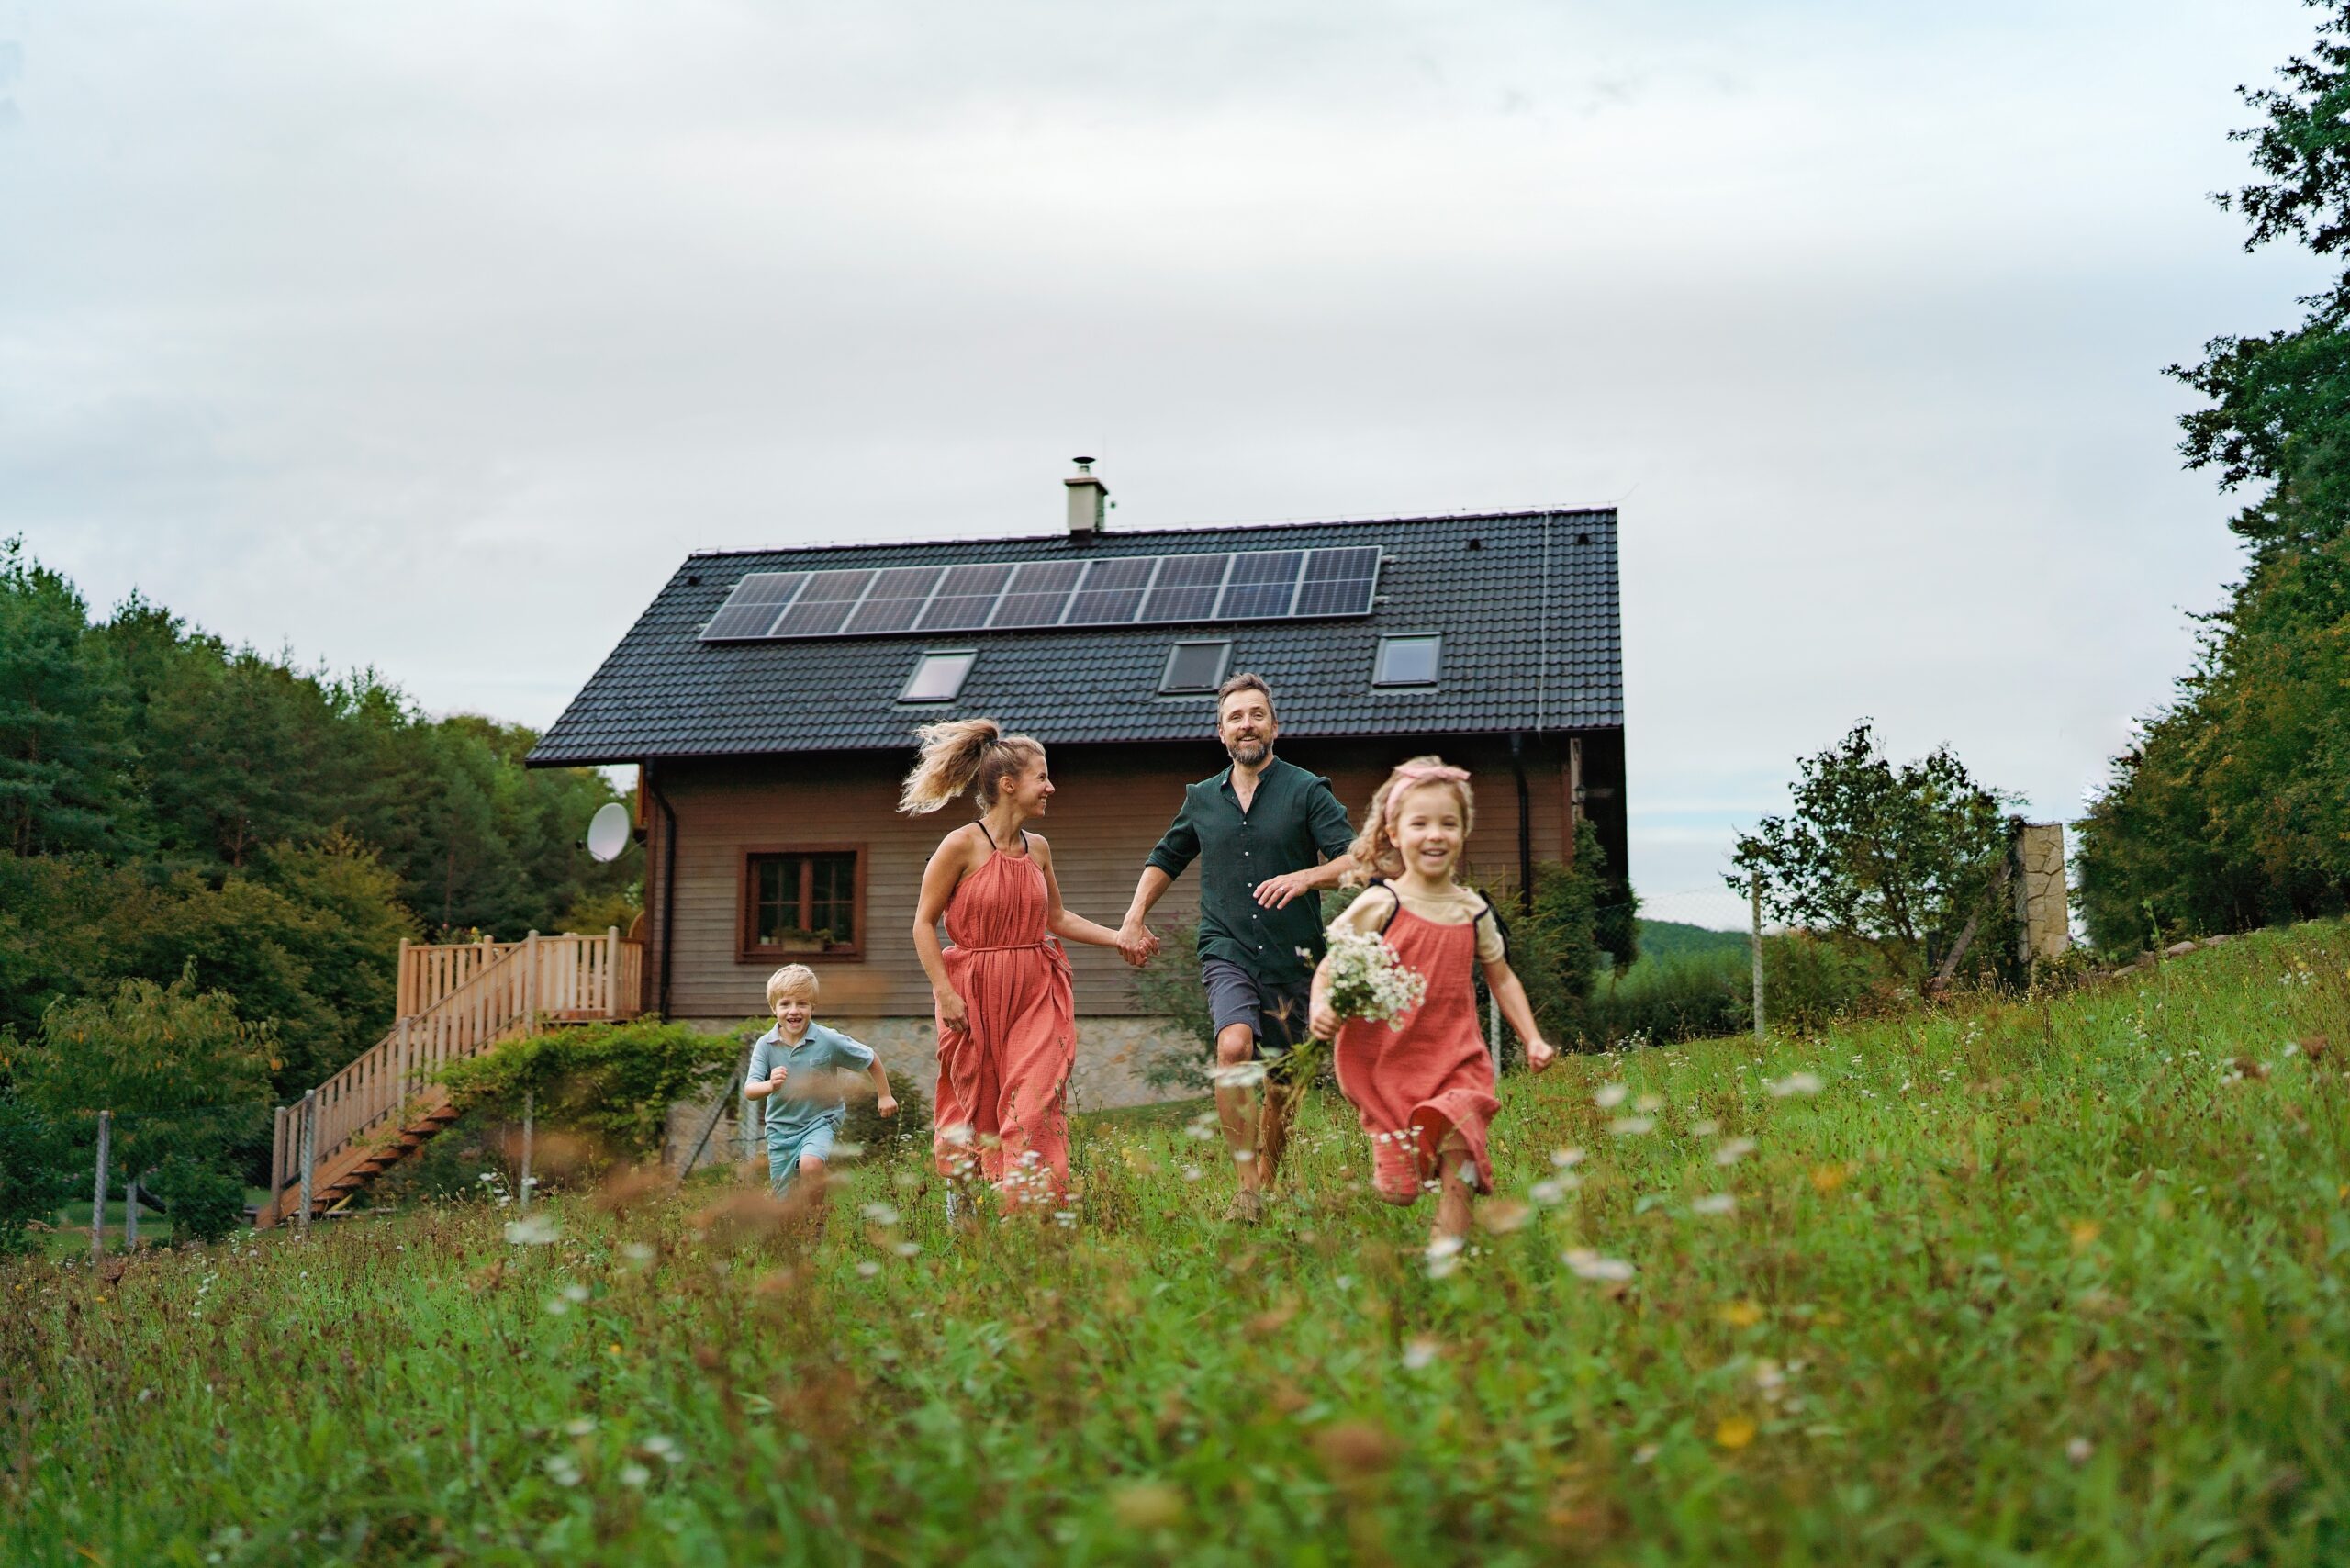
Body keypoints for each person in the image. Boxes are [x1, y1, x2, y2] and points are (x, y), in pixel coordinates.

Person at [1118, 672, 1356, 1222]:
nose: (1246, 725)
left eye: (1256, 714)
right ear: (1221, 732)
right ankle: (1247, 1189)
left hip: (1293, 956)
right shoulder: (1201, 798)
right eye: (1235, 717)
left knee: (1282, 1090)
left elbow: (1353, 861)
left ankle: (1267, 1187)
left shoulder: (1307, 790)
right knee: (1232, 1047)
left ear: (1274, 724)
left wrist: (1305, 878)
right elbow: (1166, 858)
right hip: (1226, 946)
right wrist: (1133, 917)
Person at [1308, 757, 1555, 1246]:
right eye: (1420, 823)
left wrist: (1533, 1037)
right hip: (1388, 1063)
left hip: (1456, 1056)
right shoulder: (1382, 904)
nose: (1435, 835)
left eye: (1448, 823)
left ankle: (1448, 1265)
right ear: (1395, 833)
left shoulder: (1473, 910)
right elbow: (1331, 965)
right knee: (1400, 1193)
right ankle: (1400, 1158)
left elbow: (1502, 978)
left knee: (1461, 1155)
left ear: (1463, 832)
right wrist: (1322, 1005)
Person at [902, 718, 1135, 1209]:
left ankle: (1028, 1211)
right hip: (972, 992)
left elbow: (1057, 918)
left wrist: (1119, 938)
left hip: (1035, 990)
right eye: (1042, 778)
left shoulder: (1039, 849)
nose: (1051, 786)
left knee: (1033, 1104)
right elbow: (923, 924)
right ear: (1009, 786)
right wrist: (945, 993)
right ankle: (963, 1206)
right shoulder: (960, 845)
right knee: (975, 1102)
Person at [743, 964, 897, 1203]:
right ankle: (795, 1230)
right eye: (785, 1004)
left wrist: (885, 1095)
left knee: (811, 1165)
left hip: (820, 1120)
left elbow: (870, 1058)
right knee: (783, 1201)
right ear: (774, 1008)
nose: (794, 1010)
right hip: (781, 1130)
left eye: (802, 1003)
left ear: (813, 1006)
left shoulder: (827, 1039)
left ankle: (816, 1219)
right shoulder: (766, 1045)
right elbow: (750, 1090)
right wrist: (770, 1086)